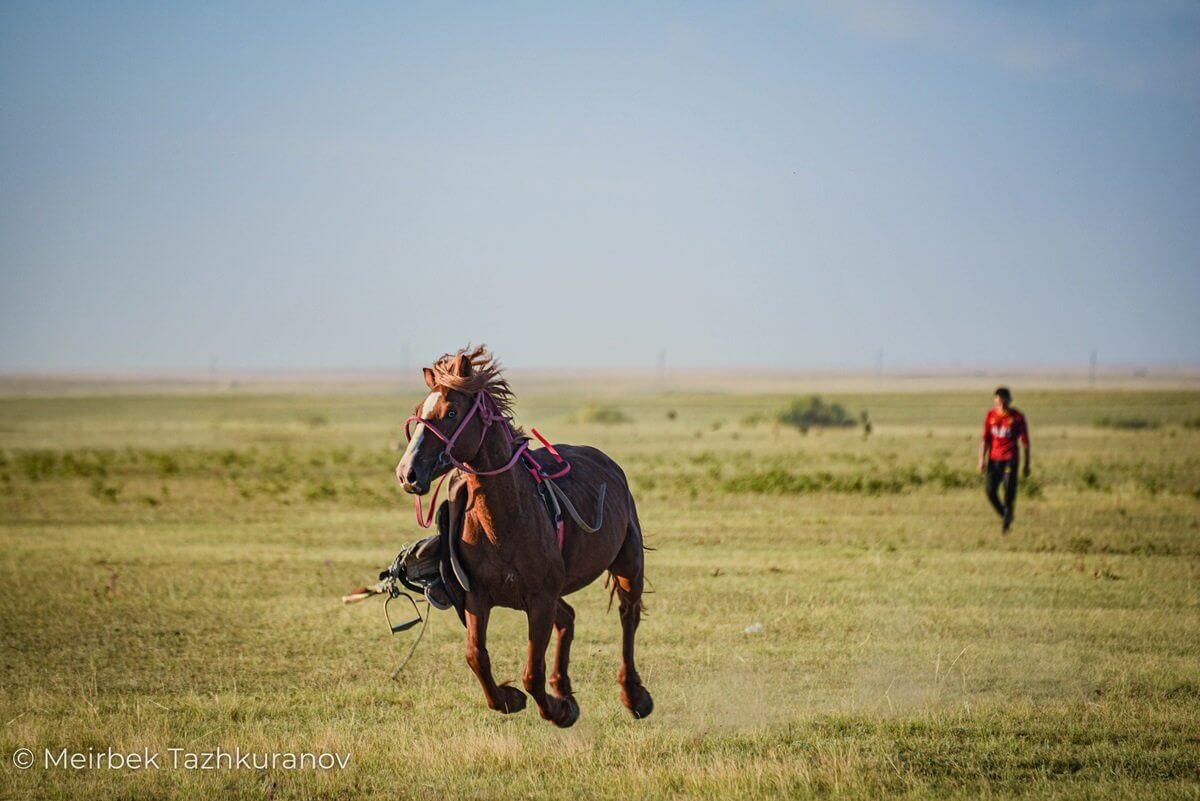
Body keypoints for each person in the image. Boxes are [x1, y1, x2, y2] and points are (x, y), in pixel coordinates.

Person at [978, 387, 1030, 533]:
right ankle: (1006, 514)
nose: (1001, 404)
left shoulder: (1017, 417)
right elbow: (985, 439)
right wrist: (981, 459)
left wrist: (1027, 463)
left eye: (1004, 401)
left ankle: (1006, 525)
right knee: (990, 490)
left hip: (1010, 459)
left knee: (1008, 491)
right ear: (995, 400)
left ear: (1009, 400)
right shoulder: (990, 415)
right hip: (994, 460)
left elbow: (1025, 442)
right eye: (998, 401)